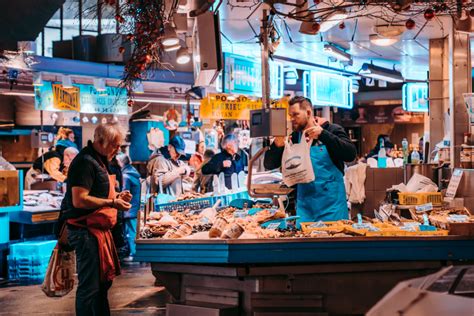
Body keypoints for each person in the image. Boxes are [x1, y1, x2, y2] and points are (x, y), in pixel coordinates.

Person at [60, 123, 132, 316]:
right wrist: (111, 202)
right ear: (100, 141)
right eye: (114, 145)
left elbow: (97, 191)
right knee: (90, 287)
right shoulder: (85, 162)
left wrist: (117, 196)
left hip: (98, 232)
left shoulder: (100, 160)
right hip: (86, 232)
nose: (117, 150)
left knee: (102, 285)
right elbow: (80, 199)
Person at [263, 96, 356, 223]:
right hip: (305, 210)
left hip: (333, 210)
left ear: (308, 112)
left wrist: (323, 135)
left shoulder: (332, 130)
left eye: (295, 115)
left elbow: (350, 154)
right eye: (290, 116)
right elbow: (269, 164)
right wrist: (278, 145)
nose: (292, 119)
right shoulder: (294, 138)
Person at [116, 153, 141, 261]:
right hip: (135, 207)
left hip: (129, 208)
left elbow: (124, 193)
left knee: (131, 232)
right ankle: (135, 252)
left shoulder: (125, 176)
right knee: (133, 230)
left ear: (121, 163)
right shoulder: (134, 173)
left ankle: (134, 253)